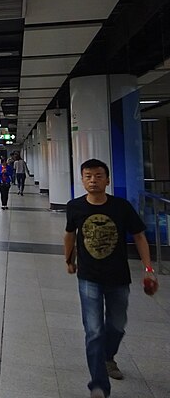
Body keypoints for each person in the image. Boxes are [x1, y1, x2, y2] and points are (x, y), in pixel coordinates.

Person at [64, 158, 157, 398]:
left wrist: (148, 269)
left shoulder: (121, 207)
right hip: (88, 277)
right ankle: (99, 385)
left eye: (97, 176)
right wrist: (69, 260)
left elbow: (139, 237)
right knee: (93, 330)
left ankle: (108, 357)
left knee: (116, 325)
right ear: (82, 179)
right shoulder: (75, 206)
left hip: (118, 277)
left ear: (107, 179)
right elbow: (70, 235)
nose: (93, 180)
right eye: (88, 176)